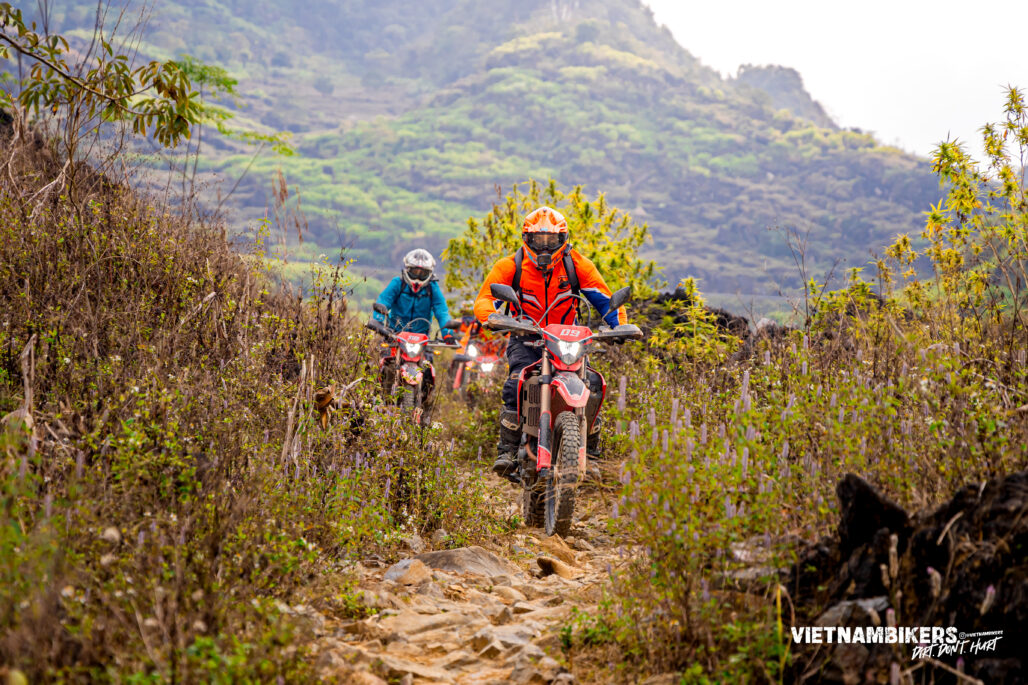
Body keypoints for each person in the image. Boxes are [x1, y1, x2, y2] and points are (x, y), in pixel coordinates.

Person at [473, 207, 627, 477]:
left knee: (592, 384)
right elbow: (486, 298)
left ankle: (591, 453)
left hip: (568, 339)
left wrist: (620, 325)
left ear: (563, 239)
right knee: (516, 382)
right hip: (526, 337)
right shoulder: (511, 266)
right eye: (538, 239)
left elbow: (604, 299)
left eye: (551, 240)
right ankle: (507, 451)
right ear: (526, 239)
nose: (545, 246)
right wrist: (492, 318)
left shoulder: (577, 265)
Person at [373, 248, 456, 399]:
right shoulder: (398, 283)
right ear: (407, 269)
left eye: (422, 273)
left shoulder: (432, 288)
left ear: (429, 273)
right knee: (382, 365)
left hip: (421, 339)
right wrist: (378, 320)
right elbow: (383, 301)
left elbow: (442, 311)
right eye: (414, 271)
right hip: (394, 335)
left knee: (428, 371)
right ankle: (376, 399)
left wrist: (448, 333)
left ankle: (425, 402)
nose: (417, 276)